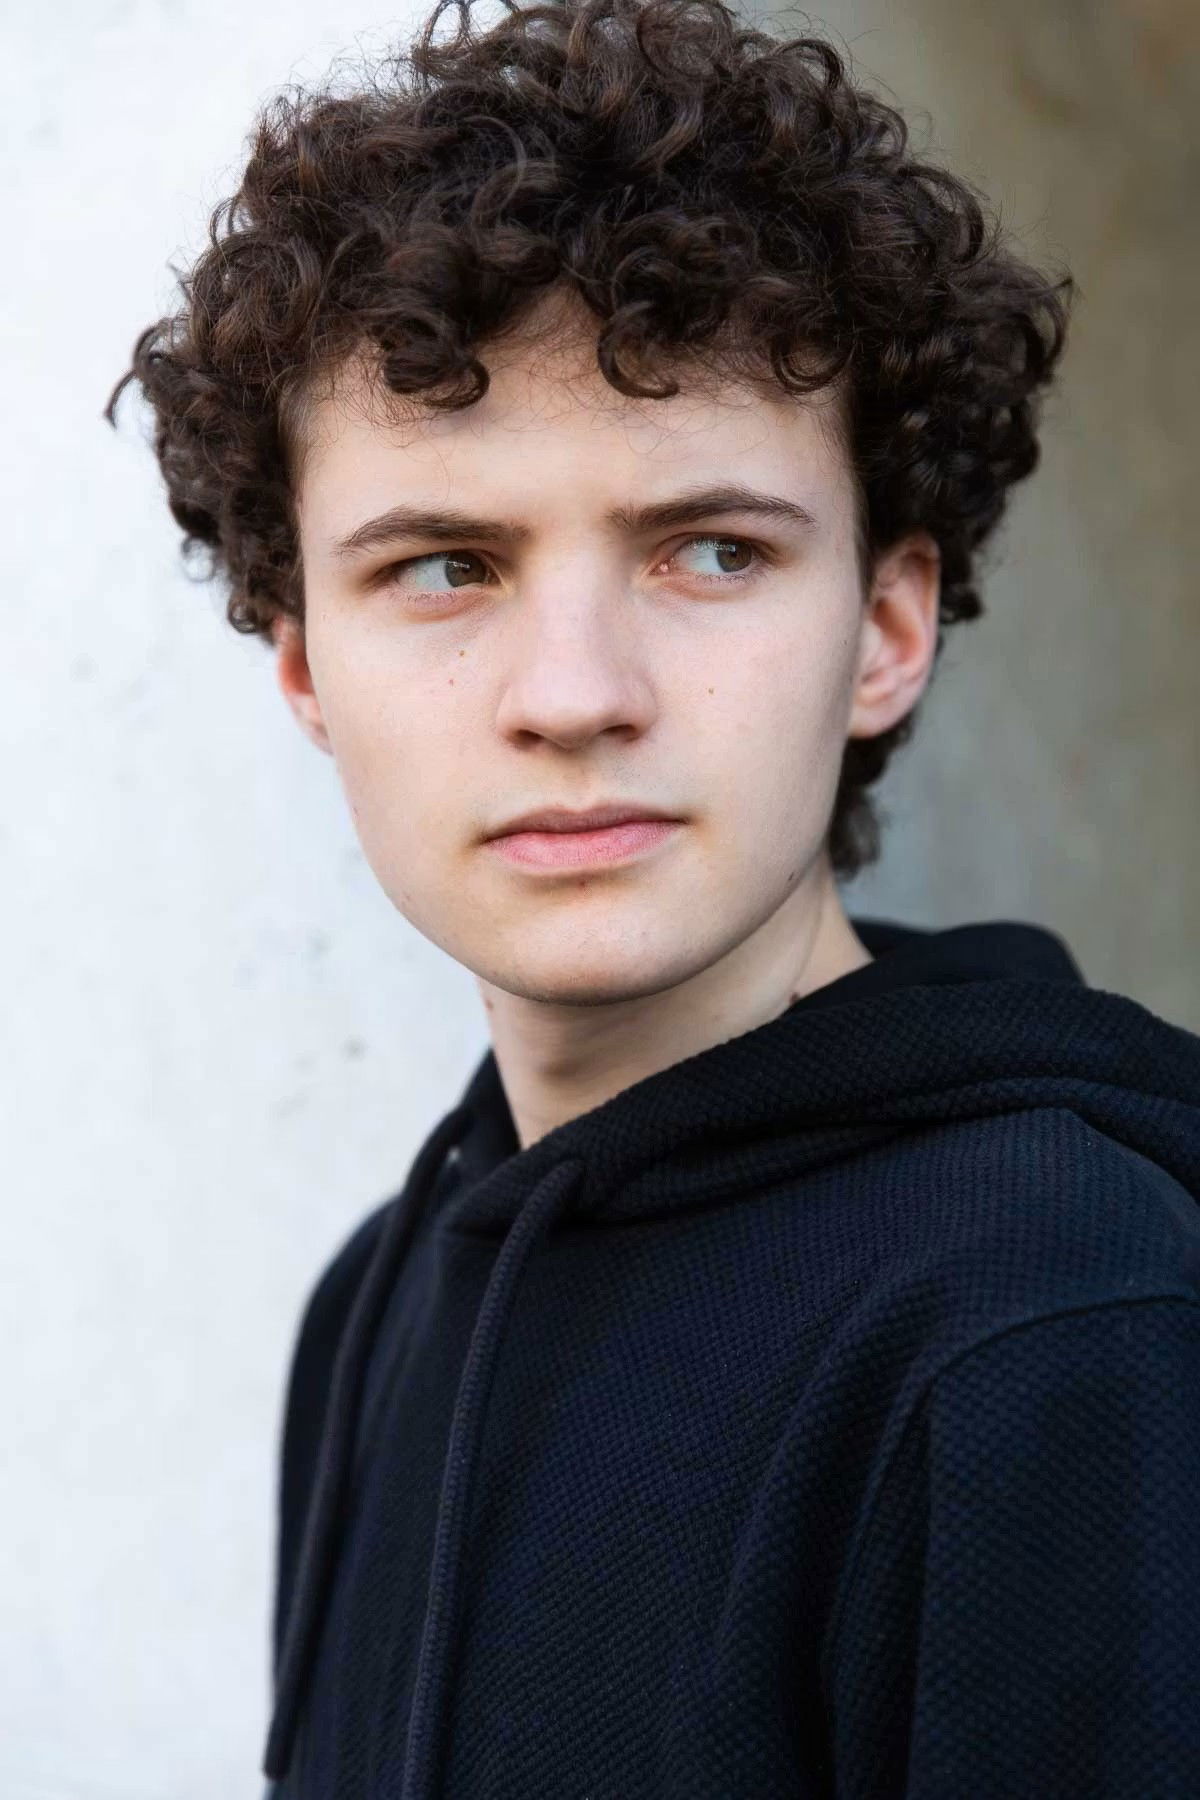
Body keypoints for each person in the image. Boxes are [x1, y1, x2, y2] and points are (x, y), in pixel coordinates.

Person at [103, 0, 1200, 1792]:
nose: (576, 694)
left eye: (710, 550)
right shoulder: (377, 1307)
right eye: (444, 566)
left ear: (887, 631)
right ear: (303, 668)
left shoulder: (1064, 1320)